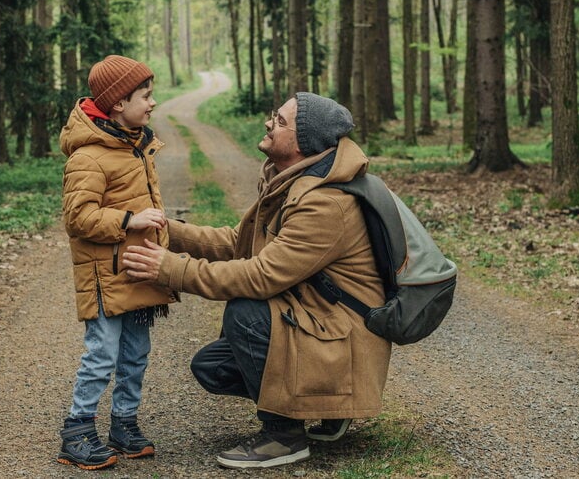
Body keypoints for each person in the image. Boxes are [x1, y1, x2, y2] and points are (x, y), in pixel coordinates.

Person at [122, 92, 391, 469]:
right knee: (213, 367)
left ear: (303, 144)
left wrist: (172, 270)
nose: (268, 123)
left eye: (280, 122)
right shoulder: (297, 179)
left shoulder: (324, 202)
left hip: (343, 336)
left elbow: (261, 276)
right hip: (324, 322)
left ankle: (284, 436)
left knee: (247, 312)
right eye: (273, 116)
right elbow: (241, 243)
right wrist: (171, 231)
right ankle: (327, 404)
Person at [57, 54, 178, 470]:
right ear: (117, 104)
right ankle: (77, 429)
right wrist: (130, 219)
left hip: (136, 268)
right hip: (105, 276)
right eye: (145, 96)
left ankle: (124, 423)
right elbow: (78, 218)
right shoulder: (88, 156)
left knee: (135, 353)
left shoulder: (136, 144)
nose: (152, 103)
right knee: (102, 353)